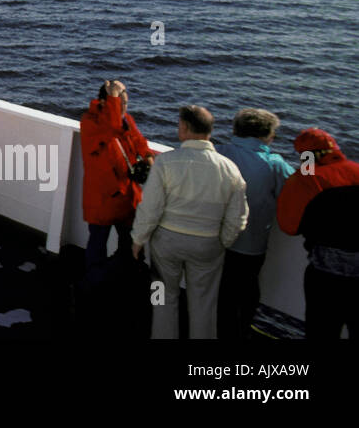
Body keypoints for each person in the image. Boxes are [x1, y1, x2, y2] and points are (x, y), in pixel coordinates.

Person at [131, 105, 249, 339]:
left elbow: (150, 208)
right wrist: (221, 241)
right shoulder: (230, 169)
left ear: (184, 128)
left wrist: (138, 239)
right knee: (204, 304)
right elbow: (238, 218)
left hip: (166, 244)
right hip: (208, 244)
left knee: (162, 297)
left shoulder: (166, 163)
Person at [216, 108, 295, 338]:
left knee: (222, 288)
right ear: (265, 136)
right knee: (248, 288)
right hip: (251, 244)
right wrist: (308, 156)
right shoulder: (275, 164)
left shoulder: (219, 152)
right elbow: (301, 187)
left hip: (215, 239)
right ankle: (242, 330)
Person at [276, 128, 359, 339]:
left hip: (327, 272)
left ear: (304, 155)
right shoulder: (355, 170)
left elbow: (289, 226)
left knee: (322, 331)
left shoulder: (305, 179)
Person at [80, 79, 155, 287]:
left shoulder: (125, 119)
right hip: (102, 199)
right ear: (105, 102)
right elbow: (111, 128)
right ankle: (92, 289)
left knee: (129, 246)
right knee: (97, 247)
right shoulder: (90, 122)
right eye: (119, 103)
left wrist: (147, 156)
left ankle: (125, 282)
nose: (124, 108)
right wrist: (113, 97)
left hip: (126, 197)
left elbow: (138, 140)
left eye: (126, 103)